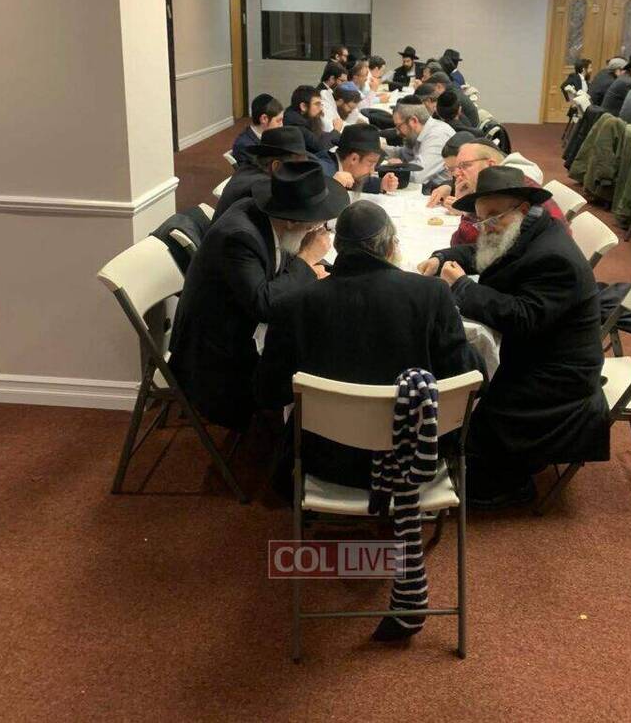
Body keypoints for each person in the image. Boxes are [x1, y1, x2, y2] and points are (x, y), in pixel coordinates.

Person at [256, 200, 481, 490]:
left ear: (338, 247)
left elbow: (268, 392)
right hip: (413, 456)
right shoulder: (433, 294)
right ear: (389, 247)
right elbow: (468, 380)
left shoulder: (294, 304)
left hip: (324, 458)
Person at [417, 166, 609, 508]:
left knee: (466, 429)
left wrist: (461, 287)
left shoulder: (554, 258)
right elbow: (482, 253)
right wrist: (441, 257)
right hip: (533, 353)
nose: (485, 227)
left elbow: (521, 318)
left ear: (521, 208)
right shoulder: (524, 229)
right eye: (480, 219)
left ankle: (514, 486)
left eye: (493, 217)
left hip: (555, 378)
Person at [169, 162, 349, 430]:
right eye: (316, 223)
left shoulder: (272, 220)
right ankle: (308, 434)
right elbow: (264, 305)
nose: (320, 229)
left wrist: (321, 270)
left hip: (240, 326)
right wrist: (307, 259)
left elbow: (281, 267)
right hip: (217, 358)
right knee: (322, 354)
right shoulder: (239, 236)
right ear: (292, 220)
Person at [428, 140, 568, 240]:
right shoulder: (504, 180)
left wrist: (466, 210)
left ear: (490, 164)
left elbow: (471, 241)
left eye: (464, 166)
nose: (458, 174)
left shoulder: (509, 191)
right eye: (456, 168)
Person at [213, 126, 310, 222]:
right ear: (276, 166)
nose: (302, 171)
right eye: (299, 165)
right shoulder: (262, 191)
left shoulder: (249, 168)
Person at [383, 101, 455, 188]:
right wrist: (380, 148)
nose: (398, 132)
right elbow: (402, 154)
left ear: (413, 121)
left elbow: (417, 176)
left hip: (435, 190)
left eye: (399, 126)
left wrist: (397, 167)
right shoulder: (418, 133)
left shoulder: (438, 135)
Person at [317, 123, 399, 195]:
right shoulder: (321, 171)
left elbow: (356, 181)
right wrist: (332, 185)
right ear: (354, 159)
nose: (372, 171)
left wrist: (381, 184)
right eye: (370, 163)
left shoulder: (344, 170)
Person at [284, 85, 338, 154]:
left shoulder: (305, 119)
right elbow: (319, 145)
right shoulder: (295, 125)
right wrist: (336, 131)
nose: (321, 108)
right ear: (303, 106)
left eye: (320, 104)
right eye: (317, 104)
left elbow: (320, 135)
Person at [231, 94, 284, 164]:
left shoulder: (272, 134)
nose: (282, 125)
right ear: (264, 119)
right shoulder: (244, 146)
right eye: (278, 121)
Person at [318, 60, 348, 132]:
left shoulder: (329, 91)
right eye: (342, 81)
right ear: (331, 78)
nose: (344, 85)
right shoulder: (322, 94)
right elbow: (328, 124)